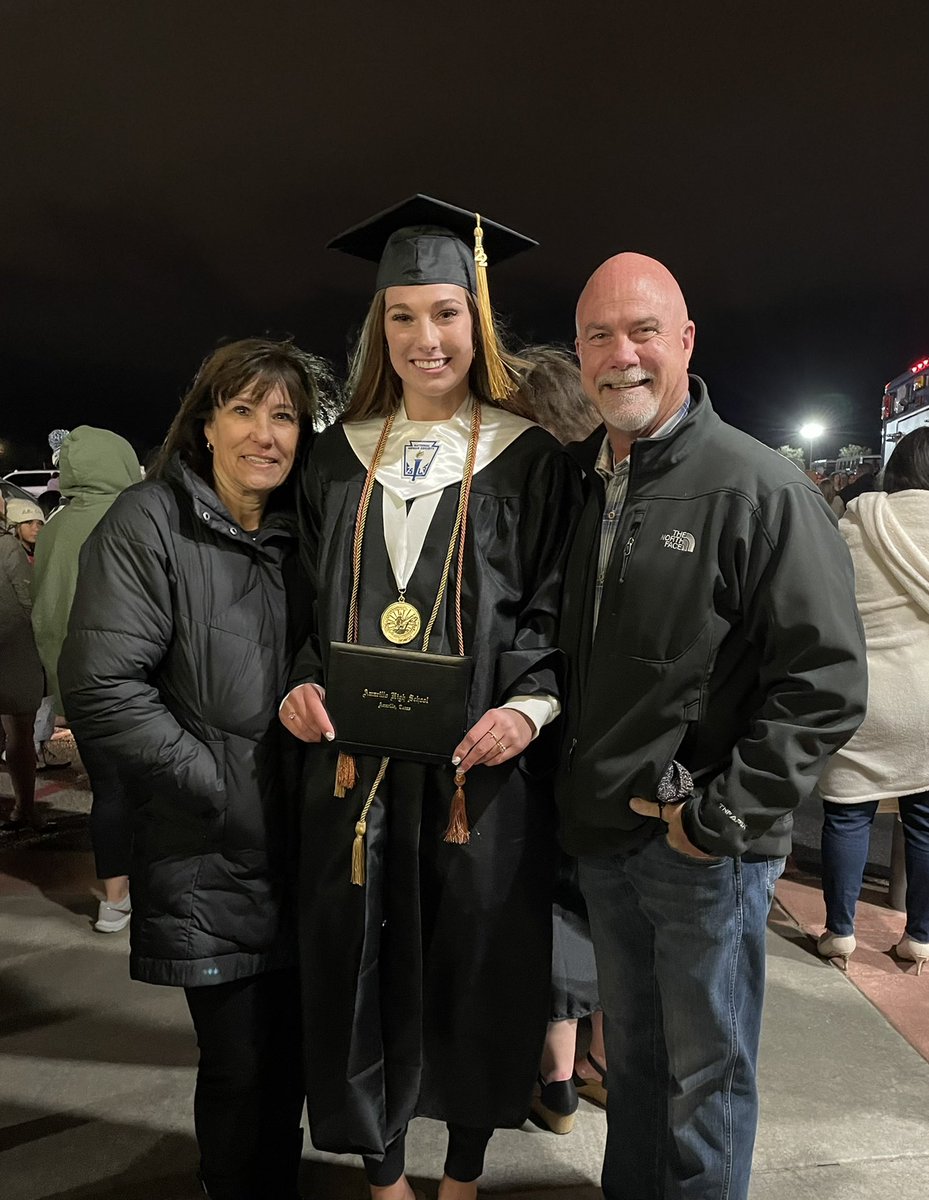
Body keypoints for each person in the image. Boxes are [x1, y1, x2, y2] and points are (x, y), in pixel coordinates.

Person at [281, 196, 581, 1200]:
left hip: (476, 780)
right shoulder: (334, 456)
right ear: (379, 328)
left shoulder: (528, 458)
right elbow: (298, 607)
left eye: (446, 313)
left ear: (476, 318)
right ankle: (380, 1172)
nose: (426, 338)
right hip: (355, 777)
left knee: (476, 965)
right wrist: (299, 681)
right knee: (357, 965)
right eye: (401, 316)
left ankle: (462, 1171)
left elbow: (551, 611)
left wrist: (528, 710)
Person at [556, 252, 867, 1200]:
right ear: (578, 354)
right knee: (635, 1063)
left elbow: (824, 681)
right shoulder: (577, 482)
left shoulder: (758, 487)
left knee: (705, 1079)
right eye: (599, 336)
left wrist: (720, 816)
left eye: (642, 331)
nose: (621, 355)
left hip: (701, 851)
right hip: (606, 839)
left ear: (685, 341)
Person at [59, 338, 329, 1200]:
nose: (263, 434)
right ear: (205, 424)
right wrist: (217, 784)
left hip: (302, 851)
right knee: (238, 1064)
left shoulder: (307, 533)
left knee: (291, 1061)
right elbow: (102, 686)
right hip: (207, 848)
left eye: (283, 416)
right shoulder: (148, 522)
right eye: (242, 410)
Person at [513, 345, 606, 1135]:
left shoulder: (533, 494)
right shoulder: (615, 492)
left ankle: (555, 1080)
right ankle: (601, 1064)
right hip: (610, 731)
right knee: (597, 896)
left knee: (550, 897)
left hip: (539, 722)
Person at [817, 428, 929, 974]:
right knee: (925, 822)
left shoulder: (857, 523)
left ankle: (840, 933)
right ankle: (920, 938)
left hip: (865, 692)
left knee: (847, 814)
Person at [32, 426, 143, 931]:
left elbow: (44, 613)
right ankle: (152, 888)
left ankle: (114, 899)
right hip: (139, 684)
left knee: (109, 791)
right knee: (152, 790)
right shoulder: (135, 516)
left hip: (79, 685)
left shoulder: (54, 528)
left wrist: (60, 689)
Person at [1, 498, 47, 830]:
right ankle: (24, 808)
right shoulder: (7, 548)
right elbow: (28, 600)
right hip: (12, 652)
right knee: (19, 733)